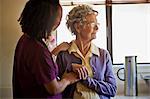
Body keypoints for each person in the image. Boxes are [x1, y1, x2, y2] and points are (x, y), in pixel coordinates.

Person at [12, 0, 87, 98]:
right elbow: (54, 89)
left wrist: (68, 68)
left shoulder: (26, 39)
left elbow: (43, 71)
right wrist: (67, 79)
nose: (59, 23)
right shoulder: (38, 50)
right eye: (57, 19)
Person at [56, 4, 117, 99]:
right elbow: (54, 88)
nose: (97, 28)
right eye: (93, 24)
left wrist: (85, 79)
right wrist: (69, 71)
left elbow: (112, 89)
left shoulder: (103, 55)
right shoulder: (63, 55)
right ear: (78, 27)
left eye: (97, 24)